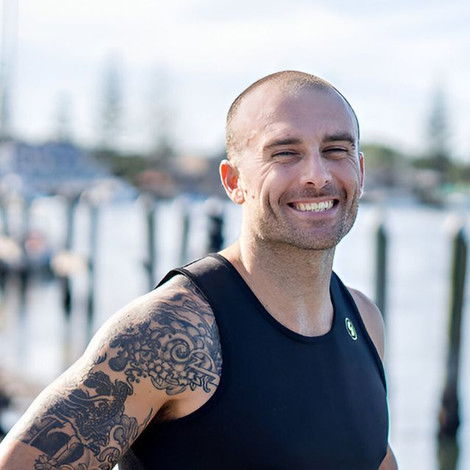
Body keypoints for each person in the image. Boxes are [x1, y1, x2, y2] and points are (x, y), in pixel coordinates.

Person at [0, 70, 398, 469]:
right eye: (284, 153)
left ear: (360, 171)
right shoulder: (171, 331)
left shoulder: (364, 321)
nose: (317, 175)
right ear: (233, 181)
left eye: (336, 150)